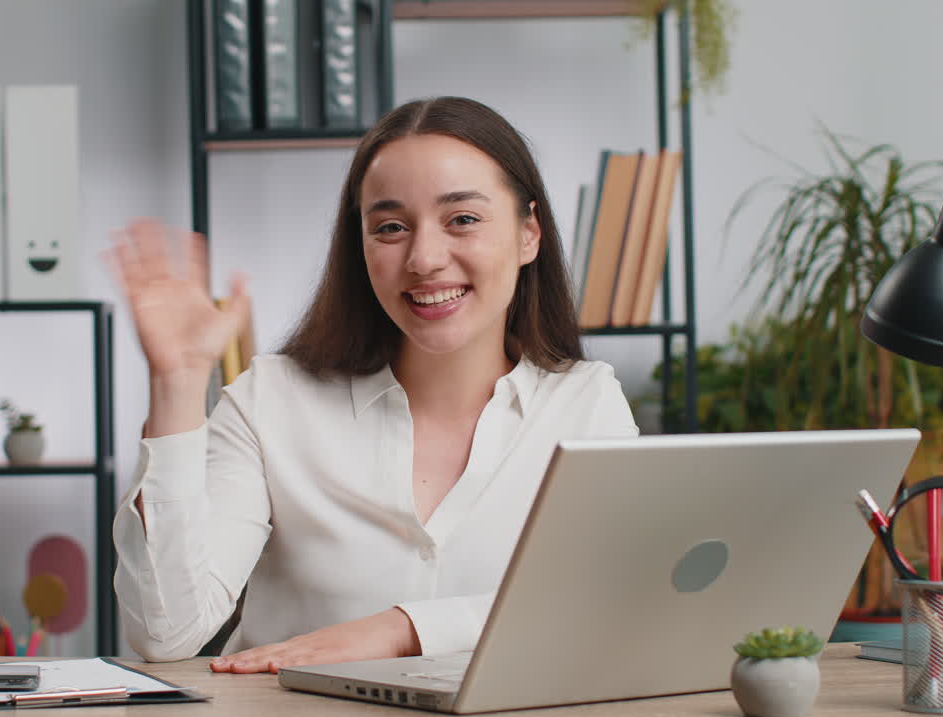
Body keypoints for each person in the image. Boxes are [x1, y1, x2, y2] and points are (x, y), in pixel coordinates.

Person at [109, 96, 639, 674]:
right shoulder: (272, 401)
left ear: (528, 233)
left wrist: (402, 630)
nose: (425, 258)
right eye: (390, 227)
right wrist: (177, 383)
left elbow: (612, 605)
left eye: (462, 219)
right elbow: (167, 632)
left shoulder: (587, 405)